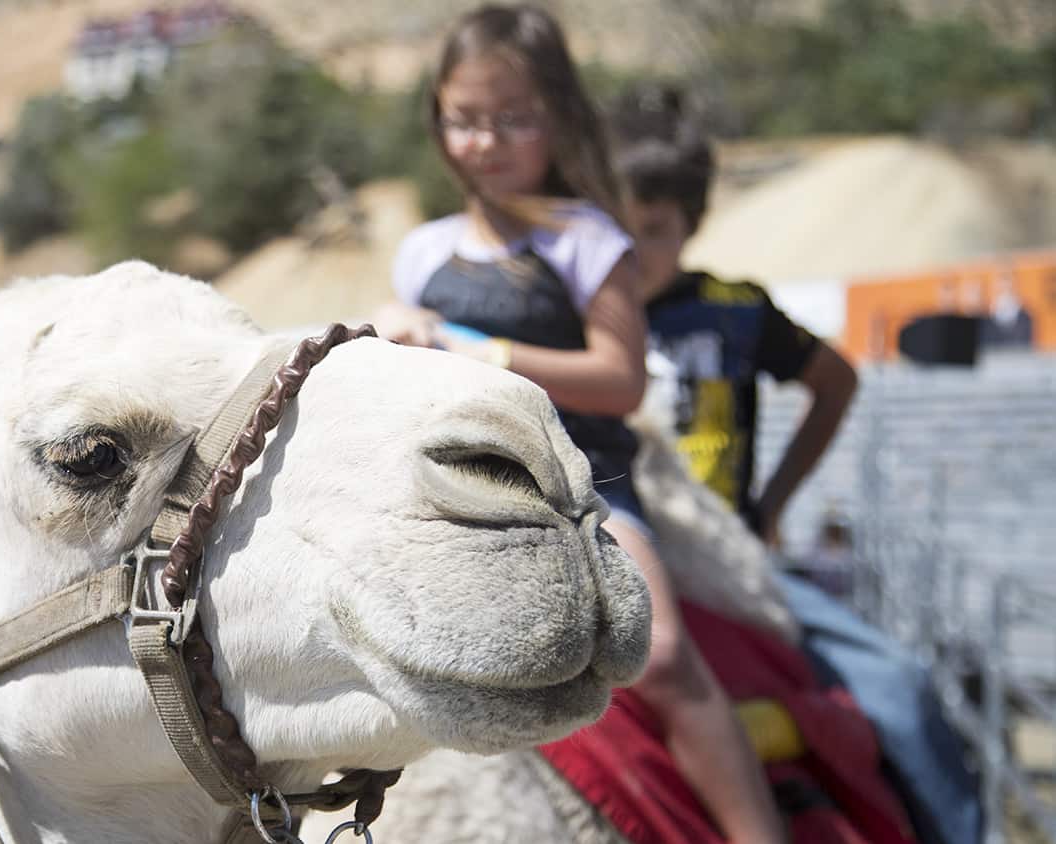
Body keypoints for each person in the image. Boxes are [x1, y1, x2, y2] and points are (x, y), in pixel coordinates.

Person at [373, 7, 788, 842]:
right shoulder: (423, 251)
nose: (484, 143)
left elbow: (620, 380)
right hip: (462, 477)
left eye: (511, 120)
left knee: (663, 655)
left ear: (557, 117)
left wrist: (476, 349)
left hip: (585, 480)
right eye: (463, 121)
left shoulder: (589, 241)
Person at [612, 83, 982, 844]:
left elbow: (835, 381)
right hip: (624, 555)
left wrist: (775, 503)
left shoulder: (735, 308)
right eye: (616, 228)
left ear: (691, 224)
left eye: (653, 229)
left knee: (903, 690)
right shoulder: (576, 323)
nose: (633, 250)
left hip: (734, 562)